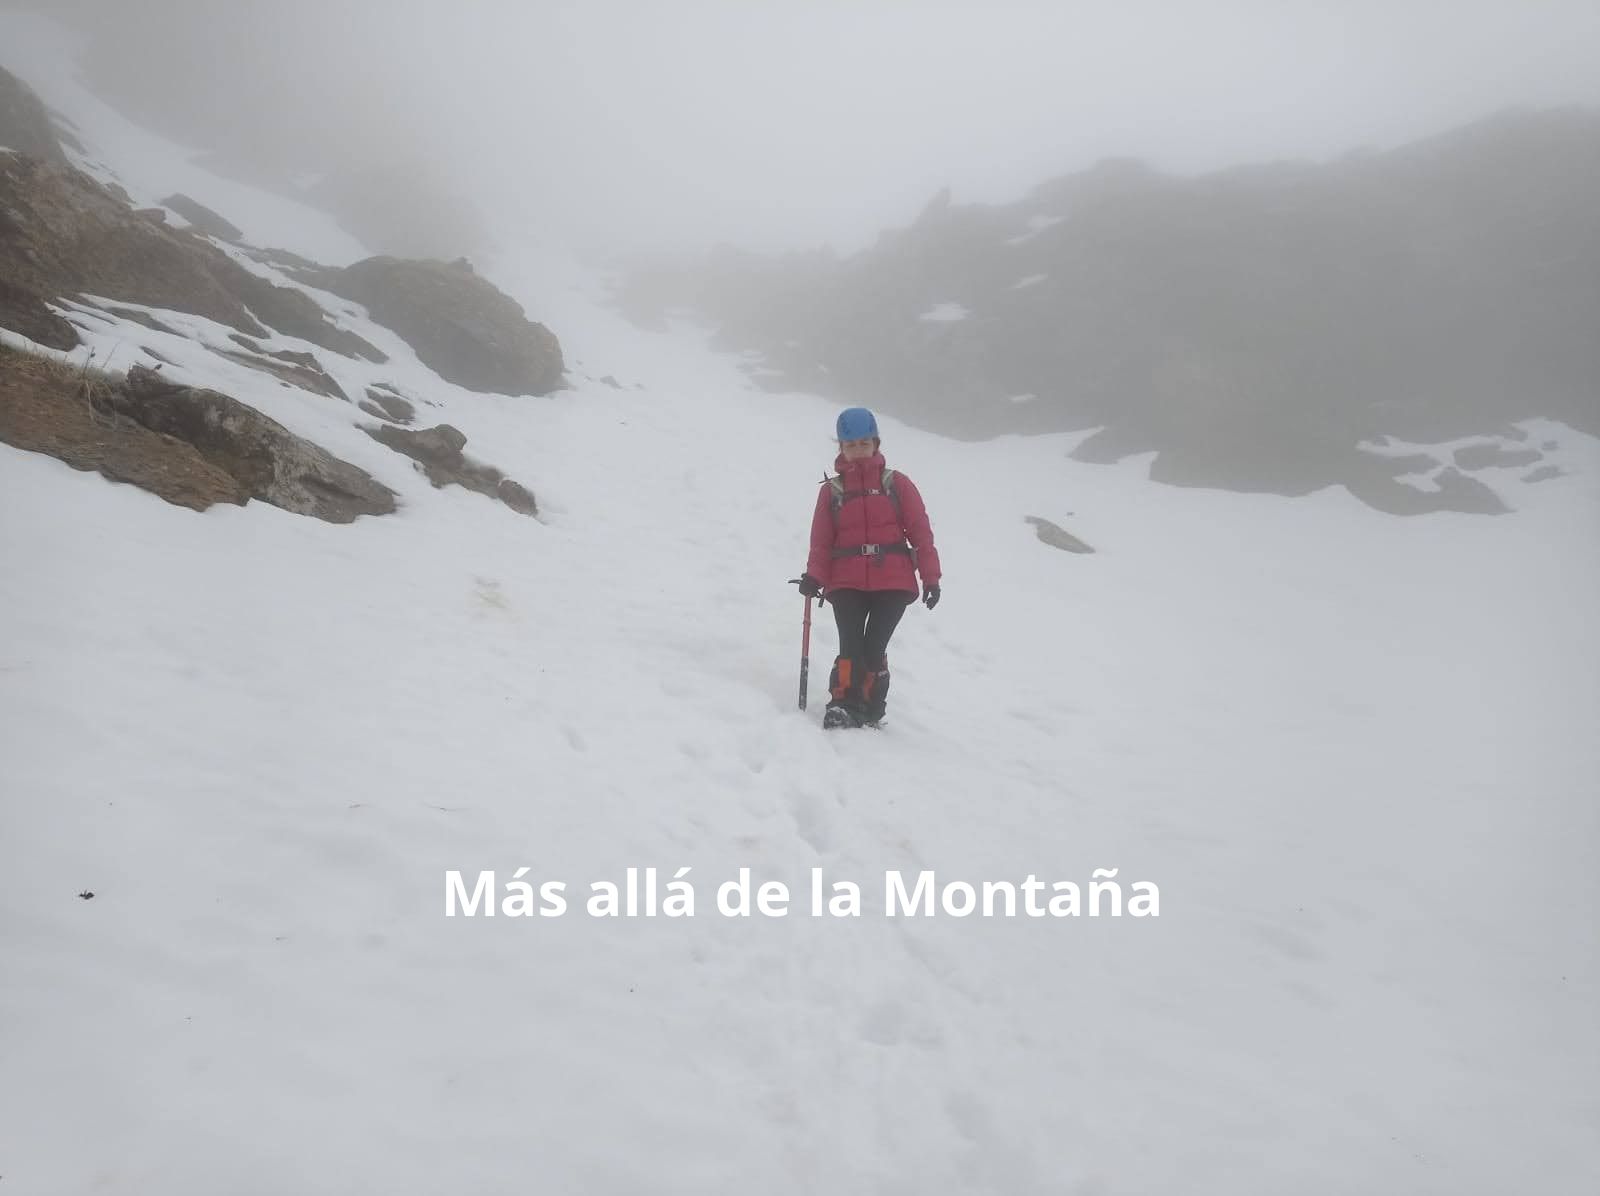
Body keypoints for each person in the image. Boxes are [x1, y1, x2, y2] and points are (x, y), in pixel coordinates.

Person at [793, 407, 941, 729]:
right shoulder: (831, 491)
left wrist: (931, 578)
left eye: (863, 443)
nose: (857, 450)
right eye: (850, 444)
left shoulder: (897, 484)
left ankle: (872, 705)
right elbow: (821, 541)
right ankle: (843, 704)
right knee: (851, 644)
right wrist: (814, 576)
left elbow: (920, 533)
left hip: (893, 581)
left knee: (874, 647)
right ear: (841, 448)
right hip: (845, 580)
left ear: (875, 442)